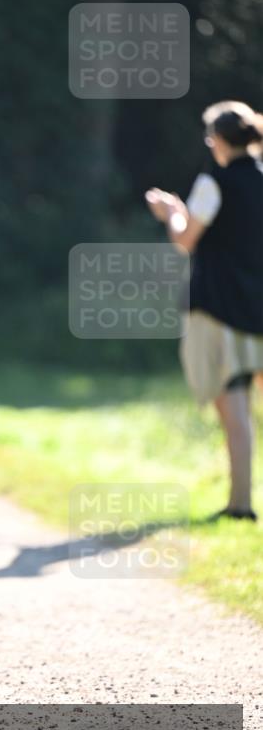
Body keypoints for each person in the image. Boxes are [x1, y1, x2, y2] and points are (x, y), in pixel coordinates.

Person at [146, 100, 263, 521]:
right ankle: (240, 503)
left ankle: (240, 504)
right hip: (258, 307)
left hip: (218, 307)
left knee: (233, 407)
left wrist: (171, 213)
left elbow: (185, 240)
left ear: (218, 141)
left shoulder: (215, 181)